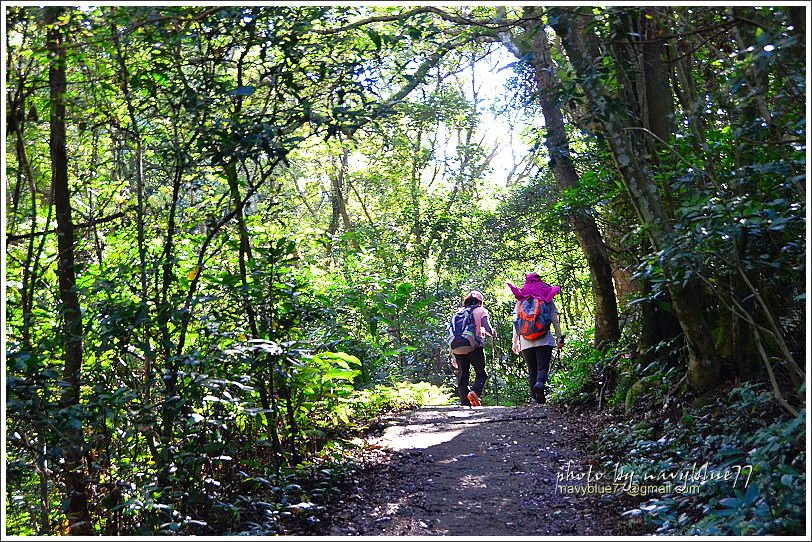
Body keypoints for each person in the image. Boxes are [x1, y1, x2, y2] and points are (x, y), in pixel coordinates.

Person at [508, 273, 564, 404]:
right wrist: (559, 338)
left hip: (526, 341)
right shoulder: (546, 299)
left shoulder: (520, 301)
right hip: (544, 339)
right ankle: (540, 384)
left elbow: (516, 322)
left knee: (532, 371)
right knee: (542, 368)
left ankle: (534, 398)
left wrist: (515, 342)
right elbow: (555, 321)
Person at [451, 290, 496, 406]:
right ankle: (474, 392)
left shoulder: (459, 313)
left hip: (458, 346)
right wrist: (493, 333)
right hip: (475, 347)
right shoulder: (480, 310)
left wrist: (453, 356)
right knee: (481, 374)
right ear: (480, 302)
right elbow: (488, 329)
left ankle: (465, 403)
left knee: (463, 376)